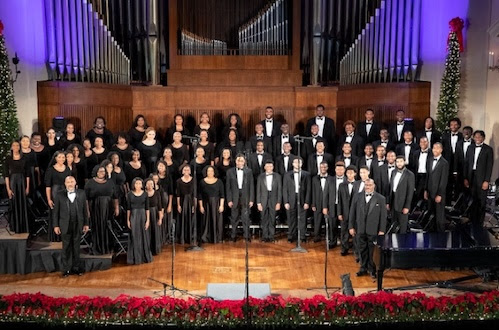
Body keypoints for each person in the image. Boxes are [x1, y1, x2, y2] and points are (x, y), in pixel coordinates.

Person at [349, 179, 386, 279]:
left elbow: (383, 216)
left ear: (374, 186)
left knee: (372, 251)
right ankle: (363, 268)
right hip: (360, 229)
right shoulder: (357, 196)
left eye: (370, 185)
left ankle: (372, 269)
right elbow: (352, 212)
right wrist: (351, 226)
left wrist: (382, 230)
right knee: (362, 249)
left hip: (373, 229)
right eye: (366, 185)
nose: (368, 187)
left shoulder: (380, 198)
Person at [52, 176, 89, 277]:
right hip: (65, 224)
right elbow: (55, 212)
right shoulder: (59, 195)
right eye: (68, 182)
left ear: (75, 182)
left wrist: (86, 223)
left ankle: (76, 268)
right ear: (65, 183)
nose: (70, 183)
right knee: (66, 247)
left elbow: (85, 210)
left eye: (72, 181)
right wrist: (56, 225)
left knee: (76, 247)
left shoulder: (81, 193)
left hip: (78, 224)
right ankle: (66, 269)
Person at [84, 165, 119, 255]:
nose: (102, 173)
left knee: (108, 227)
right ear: (96, 172)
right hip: (95, 208)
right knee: (97, 227)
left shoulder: (110, 182)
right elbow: (86, 199)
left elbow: (115, 196)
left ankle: (108, 247)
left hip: (108, 208)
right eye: (100, 171)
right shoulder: (90, 183)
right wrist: (87, 211)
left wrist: (116, 207)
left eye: (103, 171)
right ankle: (97, 248)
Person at [464, 130, 494, 226]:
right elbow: (466, 163)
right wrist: (465, 178)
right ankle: (471, 219)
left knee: (481, 200)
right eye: (475, 137)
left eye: (479, 137)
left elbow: (489, 166)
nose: (477, 138)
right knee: (472, 198)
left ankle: (479, 221)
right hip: (471, 176)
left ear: (483, 138)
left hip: (482, 177)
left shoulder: (488, 149)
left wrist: (486, 181)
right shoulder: (470, 147)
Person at [226, 154, 254, 242]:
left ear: (244, 162)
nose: (240, 162)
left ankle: (246, 236)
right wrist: (229, 199)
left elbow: (251, 186)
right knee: (234, 217)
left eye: (242, 161)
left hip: (245, 197)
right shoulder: (230, 172)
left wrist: (251, 199)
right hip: (234, 197)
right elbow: (228, 187)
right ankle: (233, 235)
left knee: (246, 217)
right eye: (238, 160)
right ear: (235, 161)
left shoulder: (249, 171)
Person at [283, 157, 311, 243]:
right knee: (291, 218)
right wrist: (286, 201)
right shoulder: (287, 174)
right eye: (295, 162)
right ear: (292, 164)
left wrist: (307, 201)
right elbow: (285, 189)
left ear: (302, 164)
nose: (297, 164)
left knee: (302, 218)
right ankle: (291, 235)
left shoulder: (306, 174)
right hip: (291, 198)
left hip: (302, 198)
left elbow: (308, 189)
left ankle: (302, 236)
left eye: (299, 162)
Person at [4, 141, 30, 233]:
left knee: (23, 204)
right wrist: (8, 189)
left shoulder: (24, 158)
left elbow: (27, 174)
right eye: (13, 145)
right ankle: (15, 227)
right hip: (13, 183)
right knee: (14, 204)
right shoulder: (8, 159)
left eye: (17, 145)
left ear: (19, 147)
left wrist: (27, 187)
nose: (15, 147)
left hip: (22, 182)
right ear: (11, 147)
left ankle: (24, 227)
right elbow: (6, 175)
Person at [45, 151, 71, 241]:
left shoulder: (67, 169)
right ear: (55, 158)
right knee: (55, 213)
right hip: (55, 193)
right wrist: (49, 199)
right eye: (59, 157)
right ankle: (55, 236)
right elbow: (48, 186)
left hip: (65, 192)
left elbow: (70, 183)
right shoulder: (50, 170)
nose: (61, 159)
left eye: (63, 157)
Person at [126, 178, 152, 264]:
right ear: (133, 184)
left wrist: (148, 220)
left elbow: (147, 208)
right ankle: (135, 258)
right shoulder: (129, 194)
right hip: (133, 215)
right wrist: (128, 220)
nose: (138, 185)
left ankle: (144, 257)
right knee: (134, 235)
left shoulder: (145, 194)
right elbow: (128, 209)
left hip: (142, 215)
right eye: (136, 183)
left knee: (143, 235)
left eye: (140, 183)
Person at [424, 143, 449, 232]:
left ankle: (441, 236)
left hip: (438, 194)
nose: (435, 150)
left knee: (439, 217)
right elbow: (428, 176)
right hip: (430, 192)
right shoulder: (430, 160)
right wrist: (426, 190)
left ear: (441, 150)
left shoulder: (444, 163)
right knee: (431, 214)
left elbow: (443, 180)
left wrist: (440, 194)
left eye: (437, 148)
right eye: (434, 148)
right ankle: (432, 234)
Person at [337, 165, 361, 256]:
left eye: (351, 173)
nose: (349, 174)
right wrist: (339, 212)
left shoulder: (358, 184)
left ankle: (356, 250)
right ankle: (344, 248)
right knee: (344, 232)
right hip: (345, 212)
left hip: (355, 213)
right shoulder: (341, 185)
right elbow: (339, 200)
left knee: (355, 232)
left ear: (355, 173)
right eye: (348, 173)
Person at [256, 160, 282, 242]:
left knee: (272, 218)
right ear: (264, 167)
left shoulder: (278, 176)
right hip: (263, 200)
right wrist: (258, 203)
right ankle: (264, 236)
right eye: (267, 166)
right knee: (263, 218)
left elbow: (279, 190)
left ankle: (271, 236)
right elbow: (258, 190)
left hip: (273, 200)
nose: (269, 168)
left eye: (270, 166)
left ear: (273, 167)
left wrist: (278, 202)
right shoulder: (260, 176)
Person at [388, 156, 415, 233]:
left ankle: (402, 243)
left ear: (404, 162)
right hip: (393, 202)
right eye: (397, 162)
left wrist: (407, 206)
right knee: (393, 225)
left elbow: (410, 192)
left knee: (402, 227)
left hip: (403, 204)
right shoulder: (393, 172)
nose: (399, 163)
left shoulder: (410, 174)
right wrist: (388, 202)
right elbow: (391, 188)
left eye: (401, 161)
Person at [199, 165, 225, 243]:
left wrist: (221, 205)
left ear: (214, 172)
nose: (210, 172)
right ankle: (206, 237)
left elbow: (222, 194)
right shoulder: (202, 182)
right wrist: (201, 206)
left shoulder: (219, 181)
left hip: (216, 203)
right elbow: (199, 195)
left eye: (211, 171)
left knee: (217, 221)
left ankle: (217, 237)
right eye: (208, 171)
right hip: (206, 203)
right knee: (206, 221)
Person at [442, 118, 464, 204]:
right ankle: (447, 203)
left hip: (459, 163)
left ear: (458, 125)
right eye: (451, 125)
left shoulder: (462, 136)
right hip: (447, 162)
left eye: (455, 124)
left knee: (459, 184)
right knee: (447, 183)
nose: (453, 126)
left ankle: (458, 205)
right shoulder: (445, 136)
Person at [325, 161, 346, 248]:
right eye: (338, 169)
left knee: (344, 226)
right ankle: (332, 241)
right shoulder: (330, 180)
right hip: (332, 206)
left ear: (344, 170)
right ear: (335, 170)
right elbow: (325, 194)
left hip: (344, 207)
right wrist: (325, 206)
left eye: (341, 169)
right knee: (332, 225)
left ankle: (344, 244)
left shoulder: (348, 180)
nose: (340, 171)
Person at [311, 161, 332, 242]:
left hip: (328, 203)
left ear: (327, 168)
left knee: (329, 221)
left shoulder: (331, 178)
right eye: (321, 167)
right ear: (319, 168)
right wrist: (313, 204)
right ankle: (317, 236)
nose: (323, 169)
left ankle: (329, 237)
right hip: (317, 202)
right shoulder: (314, 178)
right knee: (317, 221)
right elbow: (312, 191)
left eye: (324, 167)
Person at [176, 164, 197, 245]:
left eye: (188, 170)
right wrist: (178, 205)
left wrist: (194, 205)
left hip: (191, 201)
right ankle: (182, 238)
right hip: (182, 201)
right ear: (182, 171)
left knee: (191, 219)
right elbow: (178, 194)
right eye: (185, 170)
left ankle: (191, 238)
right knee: (182, 219)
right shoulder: (178, 181)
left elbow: (195, 194)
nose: (186, 171)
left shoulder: (194, 180)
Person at [145, 178, 164, 255]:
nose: (150, 186)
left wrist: (160, 218)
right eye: (148, 184)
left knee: (155, 231)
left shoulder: (156, 193)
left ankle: (156, 249)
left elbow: (159, 206)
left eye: (151, 184)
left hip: (155, 213)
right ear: (145, 185)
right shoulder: (143, 194)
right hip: (146, 214)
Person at [411, 136, 430, 208]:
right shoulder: (415, 153)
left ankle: (426, 210)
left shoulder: (431, 153)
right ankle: (417, 212)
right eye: (421, 142)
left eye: (425, 142)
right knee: (417, 194)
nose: (423, 143)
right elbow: (413, 166)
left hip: (427, 176)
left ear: (428, 143)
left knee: (426, 194)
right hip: (418, 176)